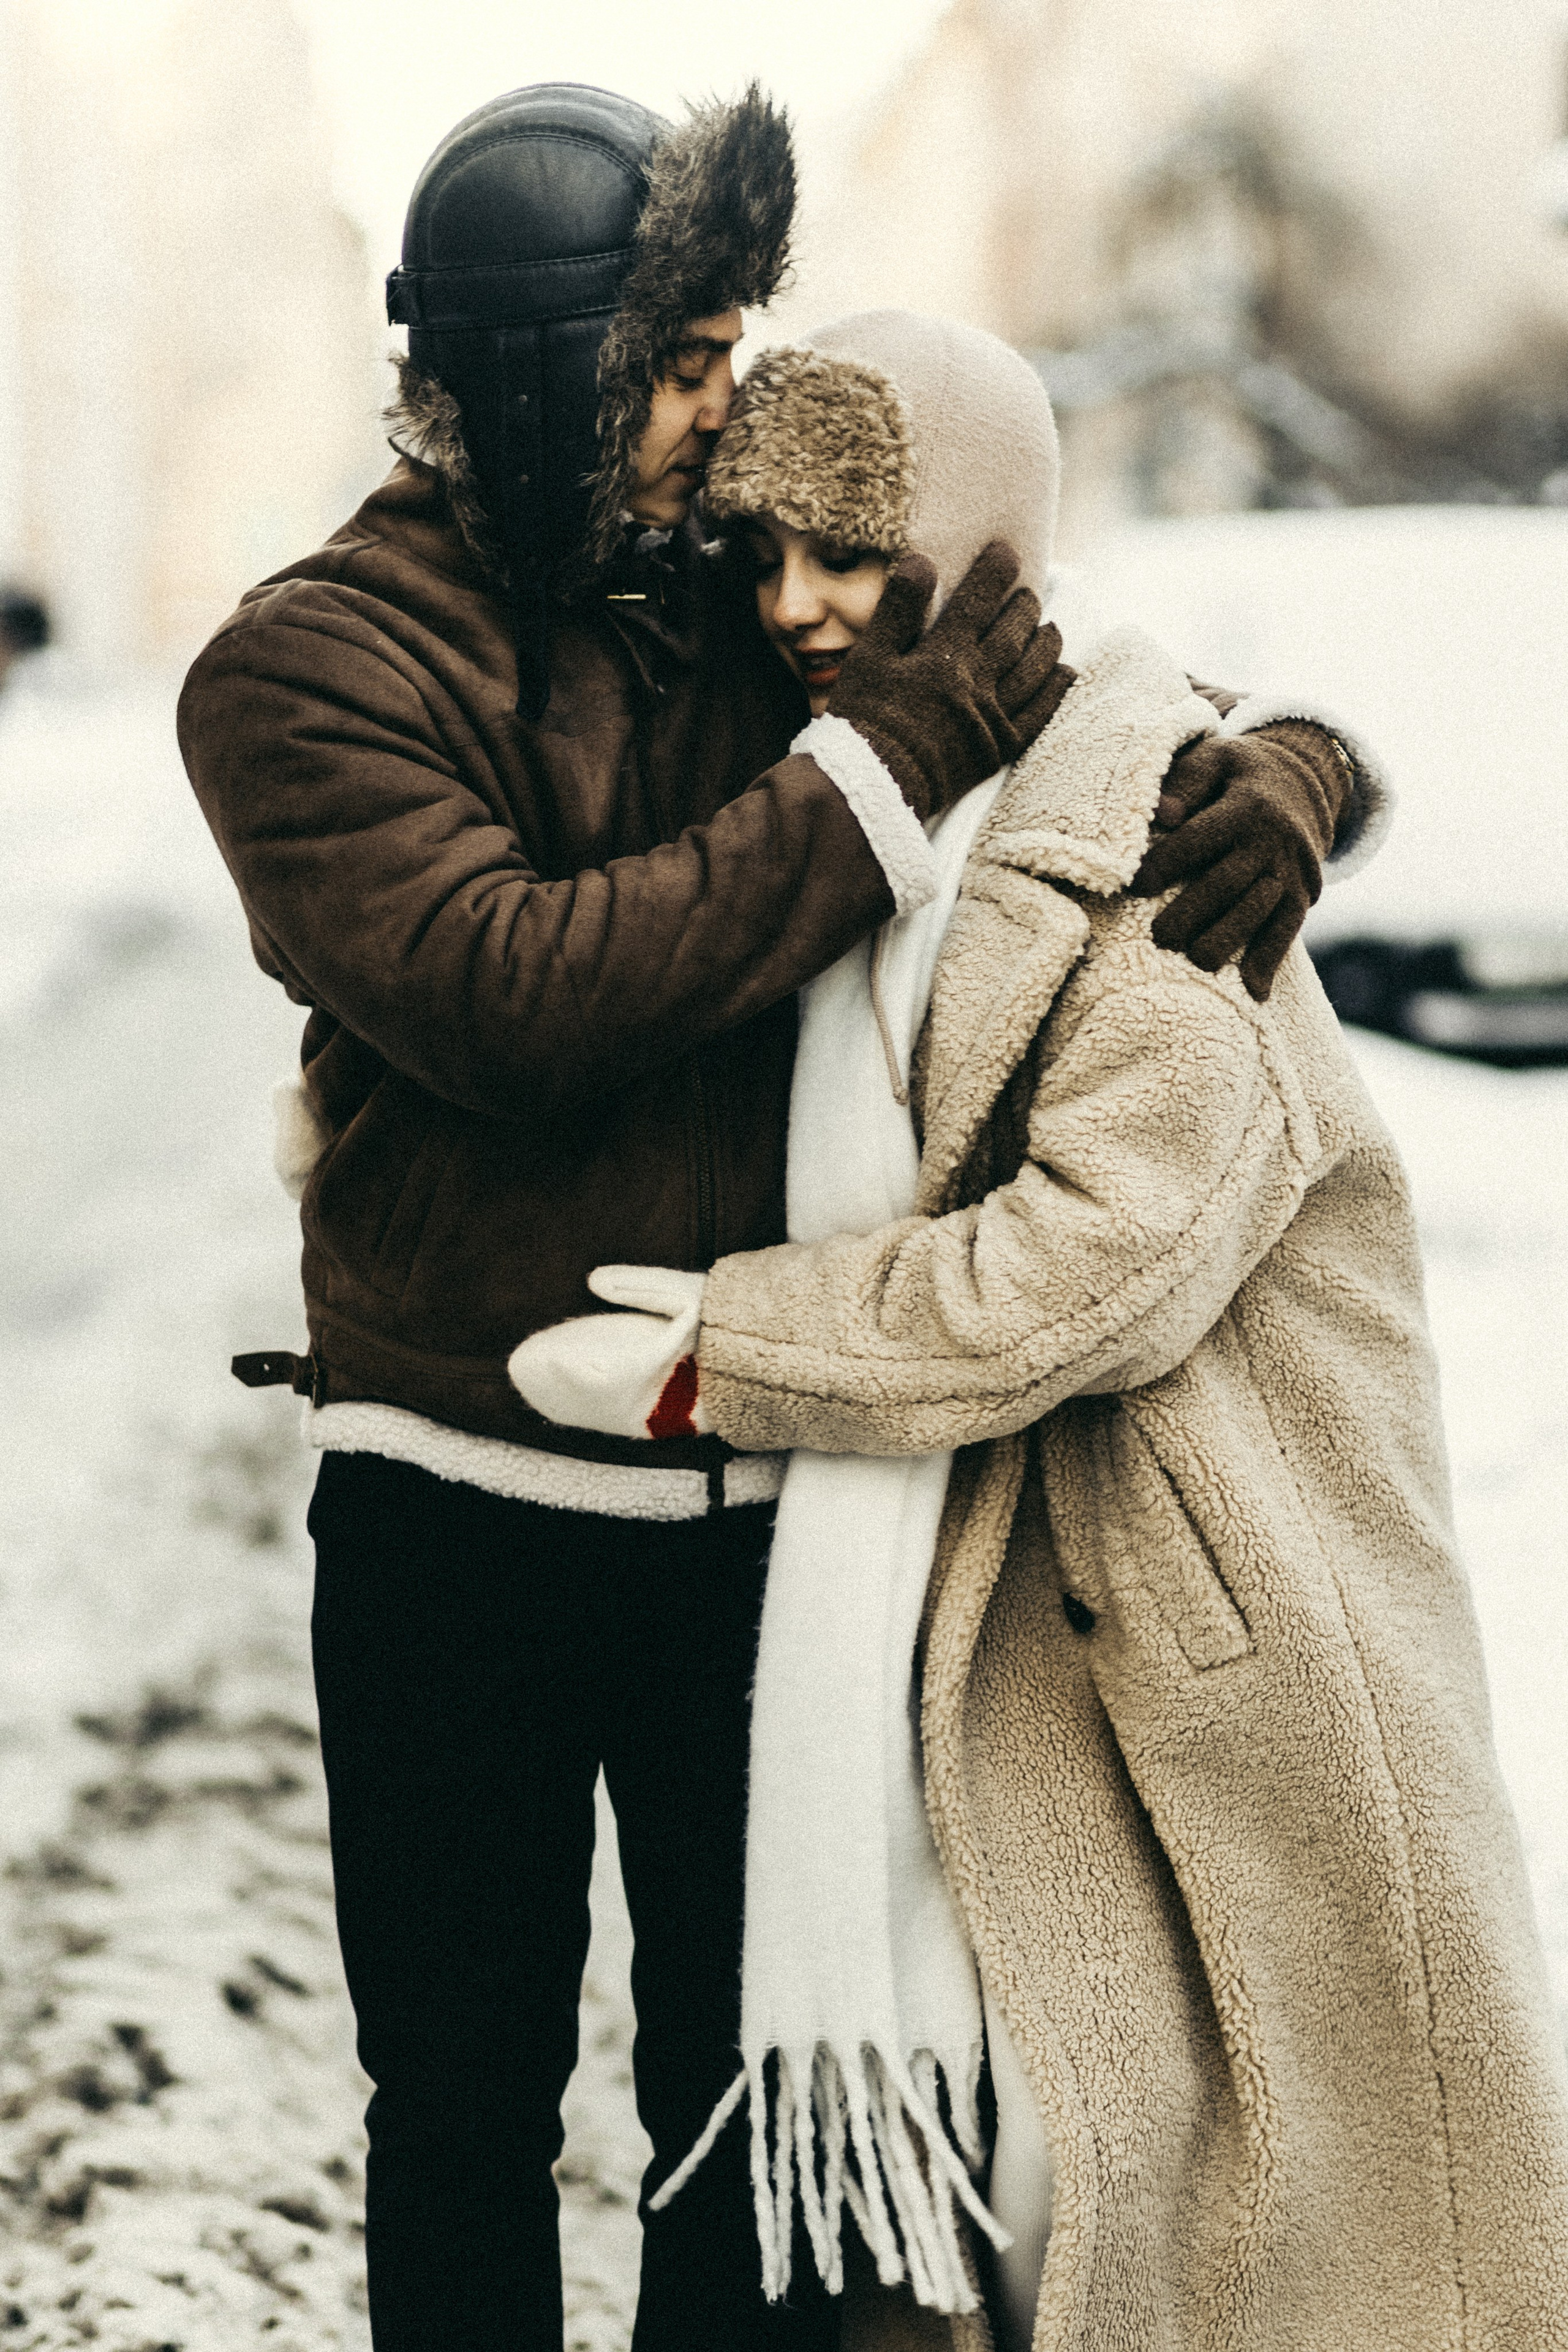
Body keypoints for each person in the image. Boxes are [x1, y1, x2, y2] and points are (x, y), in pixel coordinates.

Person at [181, 84, 1387, 2352]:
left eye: (738, 342)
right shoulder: (306, 667)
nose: (729, 408)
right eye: (687, 355)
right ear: (543, 371)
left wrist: (1295, 764)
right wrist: (880, 770)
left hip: (768, 1508)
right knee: (456, 2096)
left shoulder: (752, 593)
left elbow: (1085, 695)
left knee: (747, 2117)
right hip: (454, 1502)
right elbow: (520, 998)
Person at [514, 308, 1568, 2352]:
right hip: (973, 1605)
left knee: (1237, 2229)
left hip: (1210, 1627)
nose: (802, 604)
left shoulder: (1169, 846)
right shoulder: (860, 785)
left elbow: (1094, 1266)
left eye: (856, 553)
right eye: (769, 555)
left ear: (982, 550)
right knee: (991, 2223)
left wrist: (719, 1351)